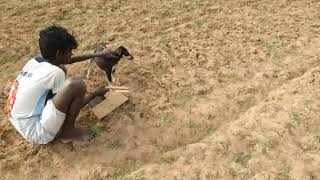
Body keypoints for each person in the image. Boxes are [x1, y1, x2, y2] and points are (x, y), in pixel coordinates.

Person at [6, 25, 112, 144]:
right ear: (59, 53)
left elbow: (69, 60)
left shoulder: (36, 61)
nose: (71, 54)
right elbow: (66, 110)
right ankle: (68, 132)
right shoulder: (55, 73)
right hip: (36, 131)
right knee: (76, 85)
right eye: (69, 51)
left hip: (18, 120)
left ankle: (60, 126)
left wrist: (98, 55)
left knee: (61, 68)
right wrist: (94, 94)